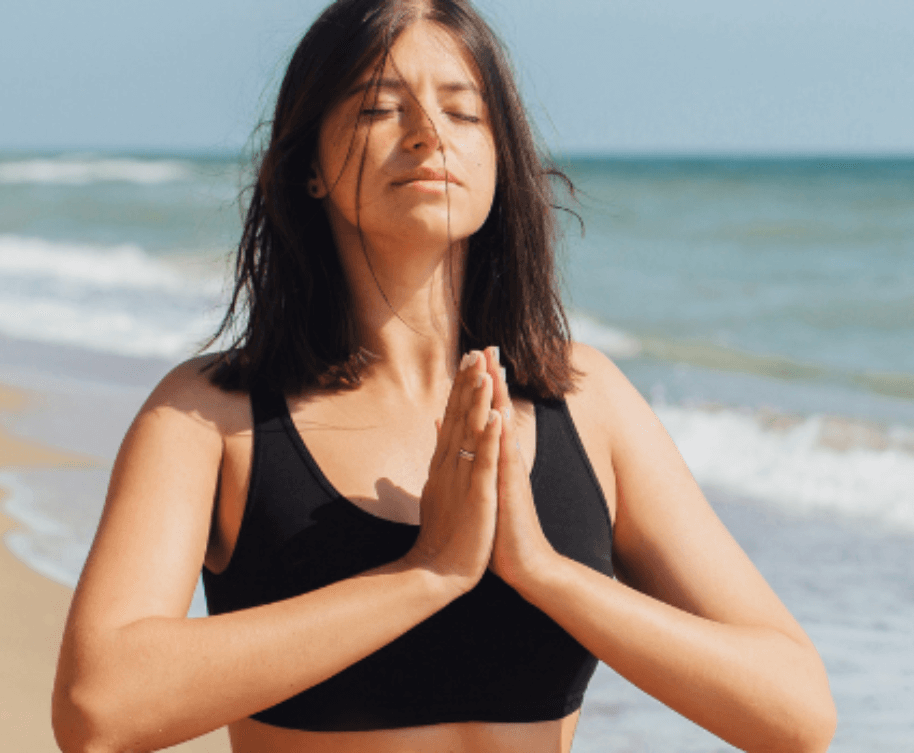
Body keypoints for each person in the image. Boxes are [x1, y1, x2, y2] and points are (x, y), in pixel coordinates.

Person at [50, 1, 837, 751]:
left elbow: (796, 713)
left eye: (464, 112)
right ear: (309, 165)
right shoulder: (211, 419)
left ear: (500, 159)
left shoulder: (587, 401)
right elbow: (97, 708)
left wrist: (546, 573)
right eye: (376, 109)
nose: (429, 134)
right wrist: (425, 575)